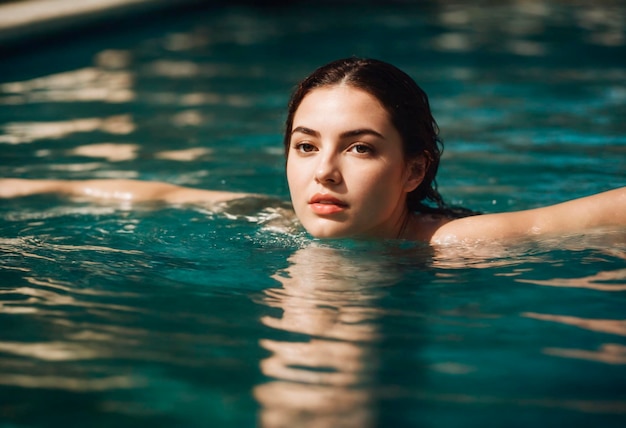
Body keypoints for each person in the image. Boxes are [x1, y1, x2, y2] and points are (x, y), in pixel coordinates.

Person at [0, 58, 624, 244]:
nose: (322, 172)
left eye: (359, 149)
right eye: (305, 146)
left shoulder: (450, 245)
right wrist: (34, 190)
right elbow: (161, 194)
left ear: (413, 171)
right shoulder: (276, 219)